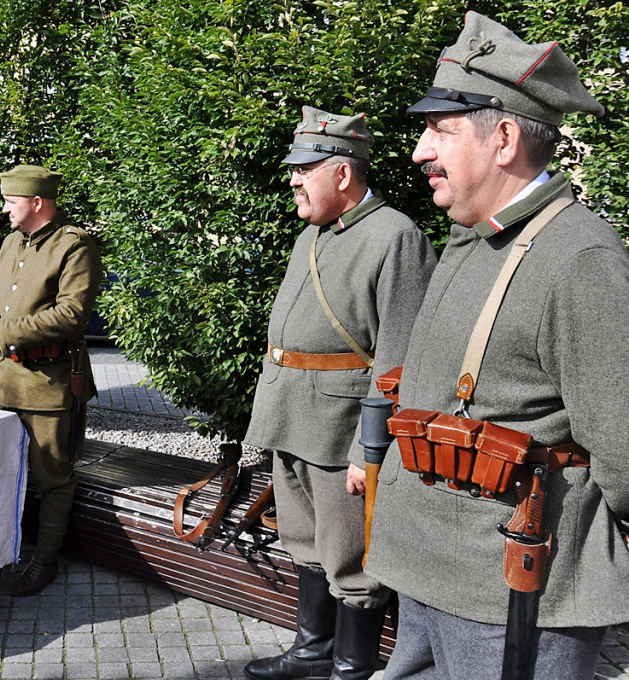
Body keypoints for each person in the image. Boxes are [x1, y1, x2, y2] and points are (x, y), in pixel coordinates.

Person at [364, 12, 627, 679]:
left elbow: (624, 450)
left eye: (439, 130)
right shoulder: (473, 239)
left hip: (508, 590)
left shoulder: (579, 258)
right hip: (427, 564)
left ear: (504, 137)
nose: (419, 150)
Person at [243, 108, 437, 680]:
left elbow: (400, 359)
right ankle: (312, 651)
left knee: (352, 557)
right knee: (303, 538)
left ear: (344, 174)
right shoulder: (313, 233)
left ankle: (351, 668)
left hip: (341, 428)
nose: (293, 179)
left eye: (306, 169)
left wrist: (368, 449)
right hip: (290, 414)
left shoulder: (395, 236)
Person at [0, 164, 102, 596]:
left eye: (10, 201)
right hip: (2, 381)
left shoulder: (74, 246)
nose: (4, 208)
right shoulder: (12, 242)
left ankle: (43, 561)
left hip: (48, 384)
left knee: (52, 478)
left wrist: (4, 332)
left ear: (36, 203)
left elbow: (71, 314)